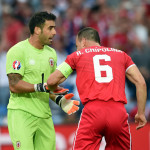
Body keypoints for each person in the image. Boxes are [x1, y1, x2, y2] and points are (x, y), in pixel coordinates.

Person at [47, 27, 147, 150]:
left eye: (78, 45)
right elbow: (141, 82)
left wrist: (55, 87)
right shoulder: (122, 55)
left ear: (83, 41)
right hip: (118, 112)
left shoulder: (76, 56)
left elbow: (51, 80)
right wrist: (141, 113)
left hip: (93, 112)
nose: (77, 48)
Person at [6, 11, 79, 150]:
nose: (55, 32)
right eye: (50, 28)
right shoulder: (17, 51)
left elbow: (49, 86)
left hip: (44, 116)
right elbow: (14, 85)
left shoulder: (51, 54)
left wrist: (60, 100)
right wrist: (40, 87)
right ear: (37, 30)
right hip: (22, 114)